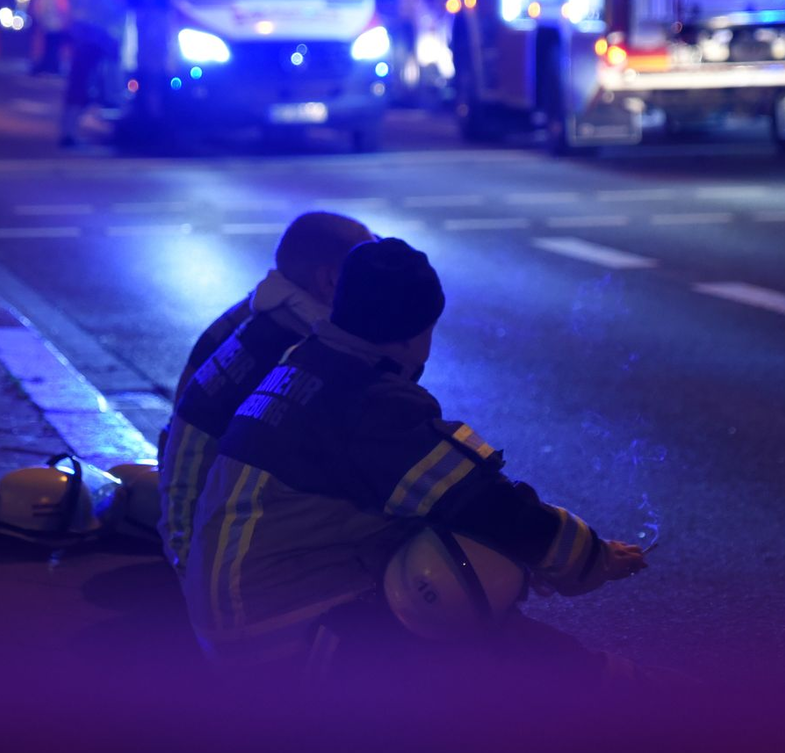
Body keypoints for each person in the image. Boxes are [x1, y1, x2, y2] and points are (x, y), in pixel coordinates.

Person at [183, 237, 647, 678]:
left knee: (427, 542)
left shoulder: (305, 361)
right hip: (284, 635)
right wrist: (589, 558)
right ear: (412, 336)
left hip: (234, 615)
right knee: (454, 579)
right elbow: (482, 501)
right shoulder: (366, 400)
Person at [159, 212, 374, 578]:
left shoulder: (261, 311)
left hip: (186, 518)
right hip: (212, 557)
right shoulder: (303, 346)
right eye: (364, 273)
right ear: (330, 279)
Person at [60, 0, 128, 147]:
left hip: (82, 33)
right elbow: (118, 11)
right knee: (110, 83)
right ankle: (112, 128)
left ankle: (68, 131)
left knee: (78, 81)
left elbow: (73, 4)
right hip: (103, 35)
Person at [27, 0, 71, 76]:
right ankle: (52, 67)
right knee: (53, 47)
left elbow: (37, 8)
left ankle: (49, 67)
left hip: (47, 24)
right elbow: (64, 8)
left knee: (49, 47)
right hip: (55, 24)